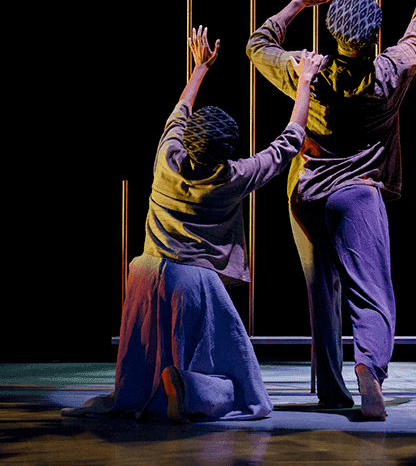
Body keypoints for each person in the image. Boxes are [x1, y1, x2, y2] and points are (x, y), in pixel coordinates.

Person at [246, 0, 416, 420]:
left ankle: (331, 389)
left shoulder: (306, 71)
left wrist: (298, 2)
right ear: (376, 34)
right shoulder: (391, 73)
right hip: (358, 193)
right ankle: (369, 373)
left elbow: (256, 44)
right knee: (372, 290)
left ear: (332, 32)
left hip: (306, 192)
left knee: (322, 291)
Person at [64, 28, 322, 422]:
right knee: (244, 382)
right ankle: (188, 385)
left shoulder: (167, 156)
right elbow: (288, 142)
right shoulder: (232, 176)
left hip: (144, 274)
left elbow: (179, 112)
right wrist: (303, 82)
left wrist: (200, 67)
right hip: (193, 282)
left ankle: (155, 388)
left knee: (144, 365)